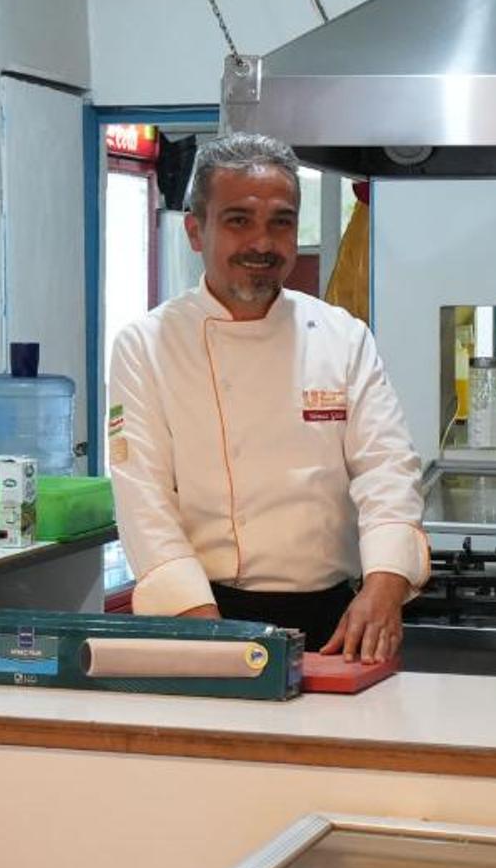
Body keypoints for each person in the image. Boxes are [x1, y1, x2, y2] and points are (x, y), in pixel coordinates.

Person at [106, 132, 429, 660]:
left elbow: (387, 469)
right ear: (195, 230)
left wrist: (386, 584)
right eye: (238, 221)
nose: (262, 243)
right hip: (203, 612)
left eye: (281, 222)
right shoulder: (146, 345)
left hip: (336, 623)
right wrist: (205, 632)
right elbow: (144, 499)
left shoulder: (343, 336)